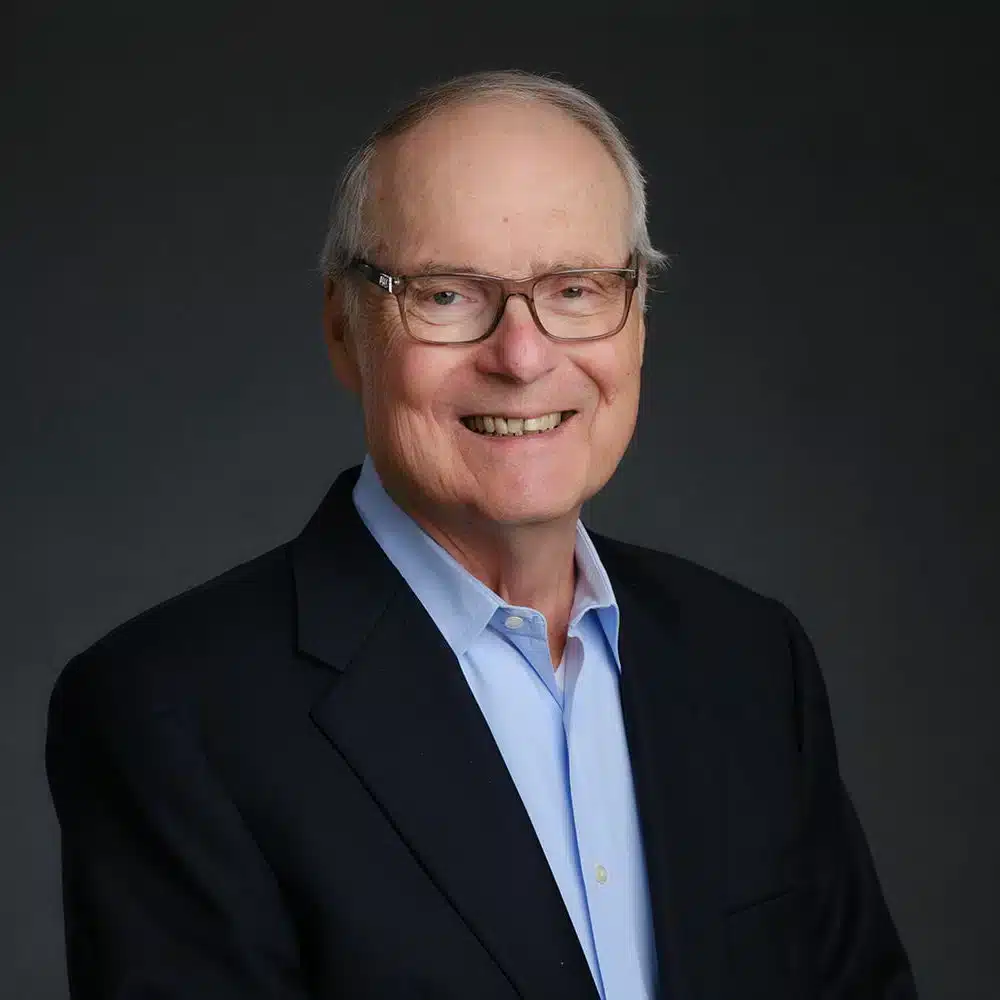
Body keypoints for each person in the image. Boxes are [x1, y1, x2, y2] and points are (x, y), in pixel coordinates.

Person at [46, 70, 917, 999]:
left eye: (575, 288)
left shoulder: (750, 657)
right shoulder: (170, 712)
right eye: (449, 295)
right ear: (346, 329)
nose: (524, 354)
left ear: (637, 321)